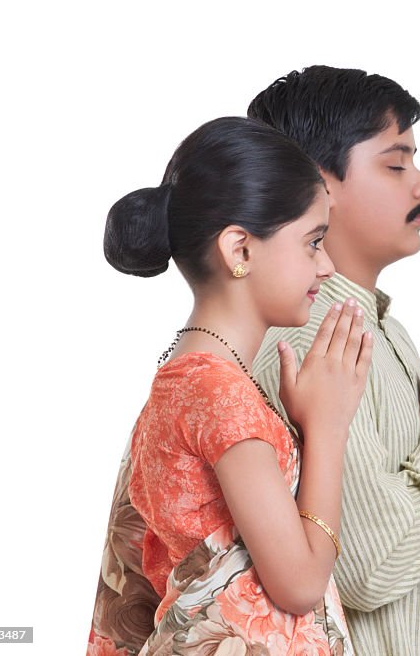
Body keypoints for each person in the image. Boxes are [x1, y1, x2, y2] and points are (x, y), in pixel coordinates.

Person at [247, 67, 420, 655]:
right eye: (395, 164)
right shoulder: (310, 340)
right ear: (315, 186)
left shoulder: (382, 330)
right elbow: (368, 568)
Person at [89, 116, 373, 656]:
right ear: (239, 250)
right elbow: (299, 583)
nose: (328, 263)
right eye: (313, 242)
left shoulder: (183, 381)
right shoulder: (220, 395)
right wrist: (329, 429)